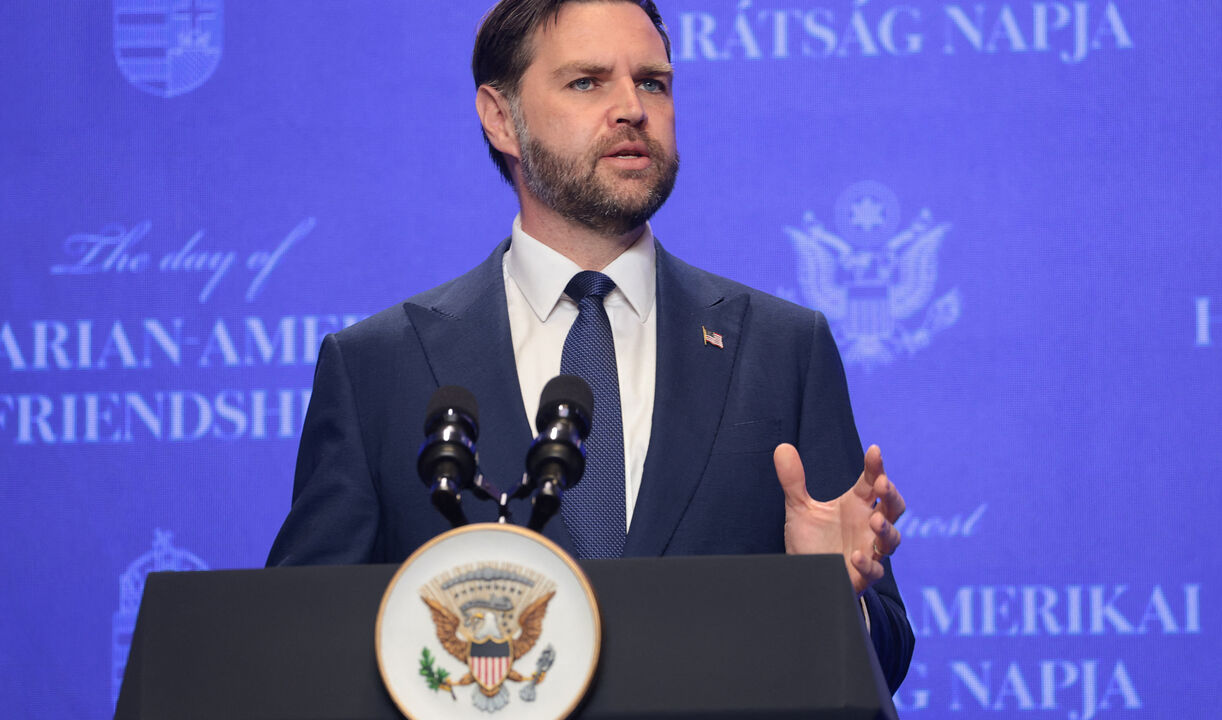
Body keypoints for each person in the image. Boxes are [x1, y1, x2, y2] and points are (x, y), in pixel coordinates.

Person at [268, 0, 913, 690]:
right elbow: (298, 647)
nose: (632, 108)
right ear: (499, 116)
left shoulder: (784, 349)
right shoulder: (378, 367)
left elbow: (888, 655)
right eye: (587, 83)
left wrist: (829, 594)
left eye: (653, 83)